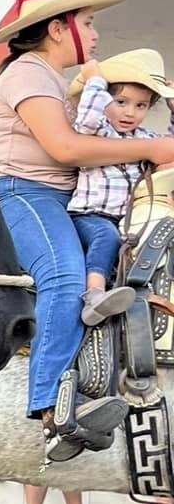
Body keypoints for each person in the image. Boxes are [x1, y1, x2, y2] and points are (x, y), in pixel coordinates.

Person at [0, 0, 174, 464]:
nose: (95, 32)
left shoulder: (54, 81)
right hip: (23, 193)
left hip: (64, 200)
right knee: (65, 278)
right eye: (87, 22)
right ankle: (53, 409)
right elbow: (67, 149)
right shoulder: (29, 73)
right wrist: (149, 148)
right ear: (57, 29)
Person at [68, 48, 169, 317]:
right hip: (90, 215)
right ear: (103, 100)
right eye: (121, 102)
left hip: (125, 218)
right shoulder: (98, 131)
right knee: (106, 237)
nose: (130, 113)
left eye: (141, 105)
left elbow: (169, 147)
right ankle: (94, 295)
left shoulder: (146, 137)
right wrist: (95, 82)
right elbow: (88, 117)